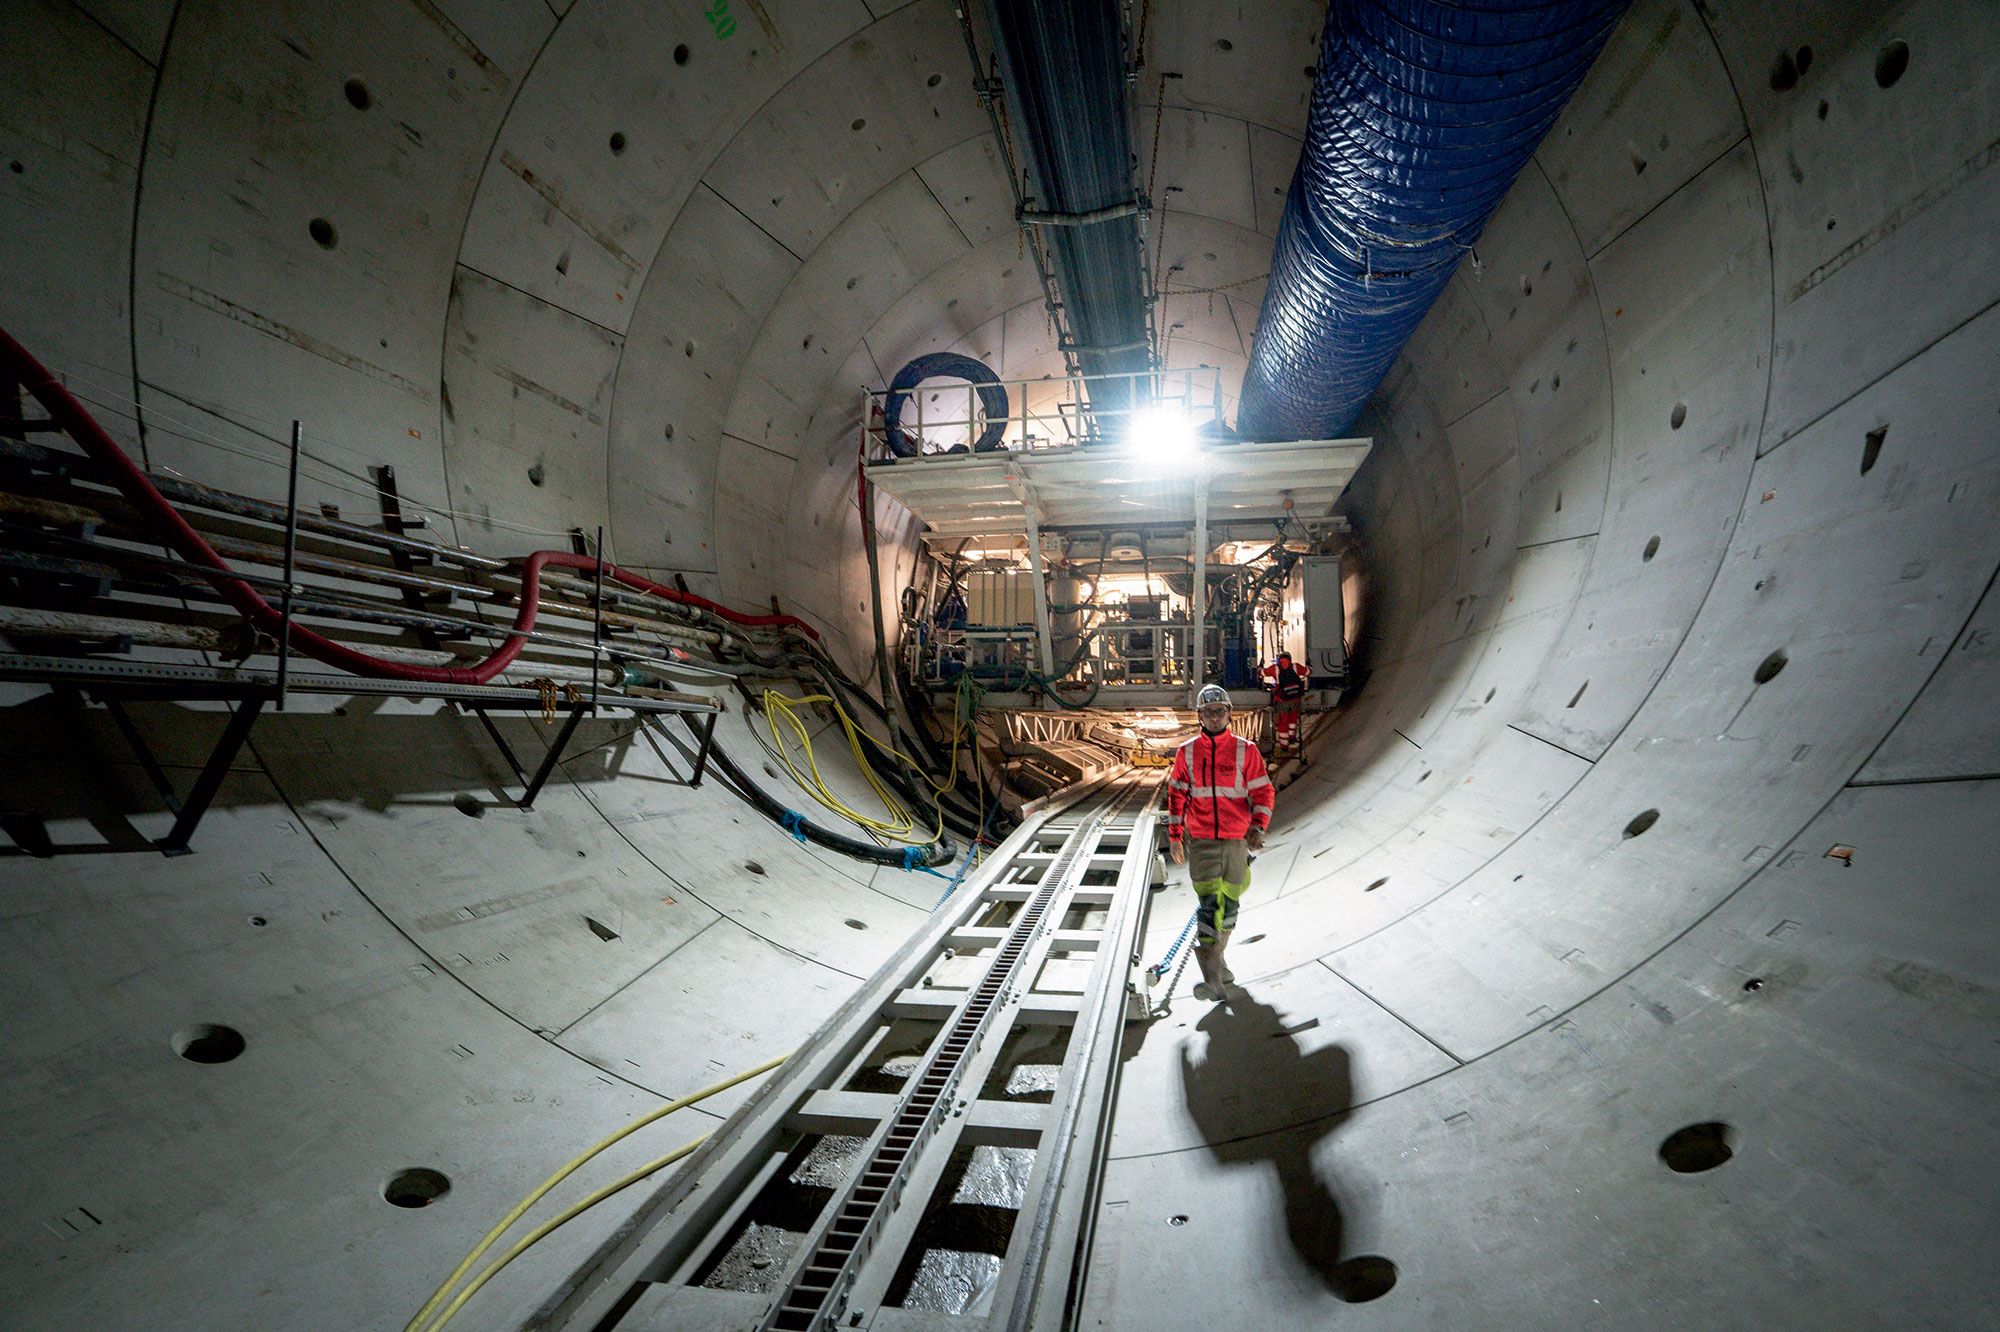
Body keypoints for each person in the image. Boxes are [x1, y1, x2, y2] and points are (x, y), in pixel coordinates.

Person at [1166, 684, 1274, 1002]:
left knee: (1230, 908)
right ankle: (1212, 978)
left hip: (1236, 841)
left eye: (1220, 711)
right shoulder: (1187, 752)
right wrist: (1175, 839)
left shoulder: (1246, 751)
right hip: (1201, 841)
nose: (1214, 717)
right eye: (1208, 712)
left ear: (1229, 713)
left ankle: (1219, 962)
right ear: (1199, 716)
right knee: (1208, 906)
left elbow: (1263, 792)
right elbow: (1176, 796)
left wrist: (1258, 825)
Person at [1270, 651, 1305, 754]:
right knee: (1293, 719)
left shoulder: (1275, 668)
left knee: (1283, 722)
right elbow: (1308, 672)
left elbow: (1263, 673)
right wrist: (1309, 666)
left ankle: (1284, 746)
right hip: (1295, 699)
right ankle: (1292, 737)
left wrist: (1259, 669)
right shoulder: (1295, 667)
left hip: (1282, 700)